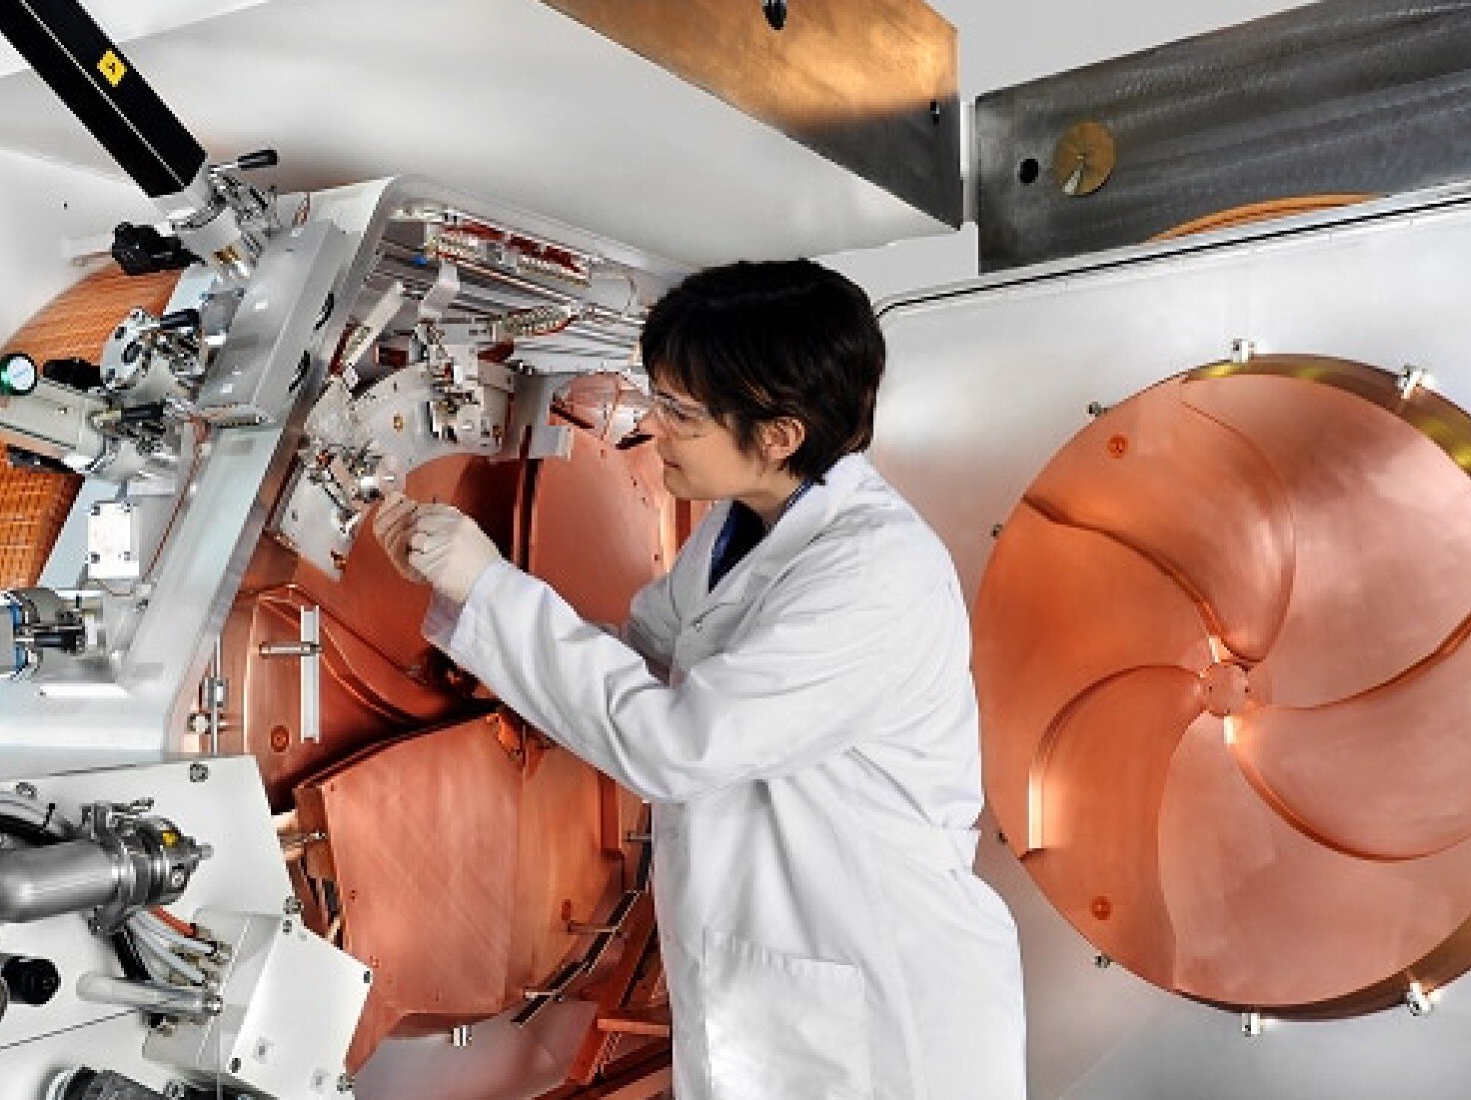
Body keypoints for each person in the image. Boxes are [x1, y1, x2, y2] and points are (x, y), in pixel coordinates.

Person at [371, 259, 1025, 1100]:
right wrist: (470, 594)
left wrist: (491, 589)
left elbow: (679, 744)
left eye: (680, 413)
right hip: (777, 990)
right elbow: (644, 659)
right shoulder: (738, 526)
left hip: (879, 1006)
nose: (653, 426)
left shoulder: (875, 572)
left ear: (780, 435)